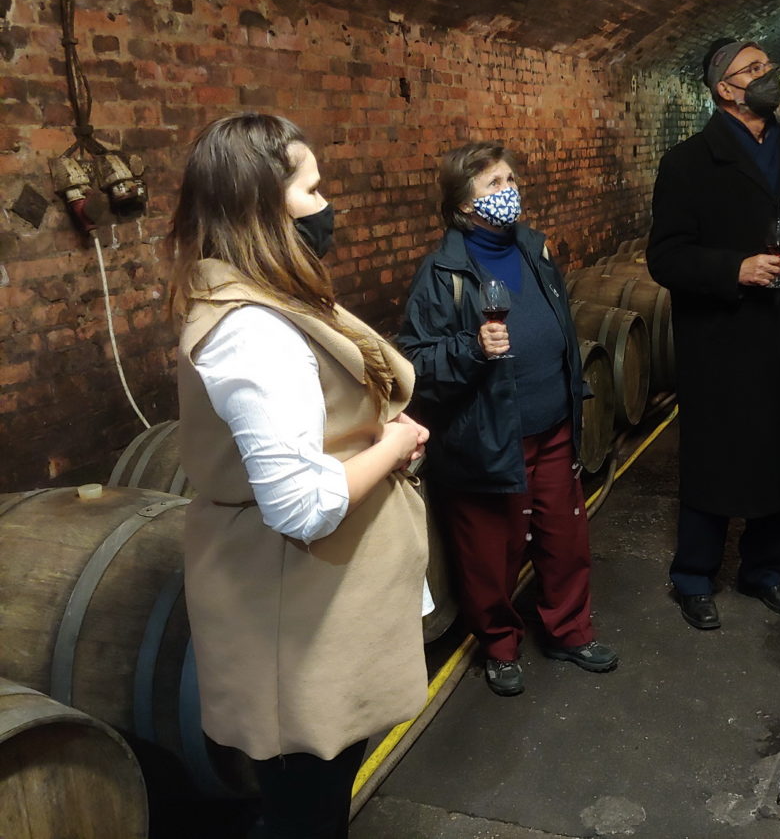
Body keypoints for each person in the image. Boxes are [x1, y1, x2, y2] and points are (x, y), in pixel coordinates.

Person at [169, 113, 431, 839]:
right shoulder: (252, 330)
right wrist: (394, 443)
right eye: (312, 190)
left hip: (322, 603)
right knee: (306, 813)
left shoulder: (273, 298)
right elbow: (301, 505)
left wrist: (378, 437)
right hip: (296, 612)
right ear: (262, 208)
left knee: (318, 799)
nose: (326, 204)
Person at [397, 141, 618, 696]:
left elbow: (560, 327)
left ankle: (569, 631)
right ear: (463, 203)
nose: (508, 190)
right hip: (489, 437)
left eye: (510, 179)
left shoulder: (534, 249)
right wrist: (472, 347)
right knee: (491, 554)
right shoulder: (441, 272)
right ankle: (499, 646)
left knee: (565, 539)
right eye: (493, 184)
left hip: (554, 425)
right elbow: (416, 363)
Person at [646, 39, 780, 631]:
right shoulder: (688, 163)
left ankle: (763, 571)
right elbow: (665, 257)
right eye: (754, 69)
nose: (768, 75)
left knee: (779, 454)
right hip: (721, 340)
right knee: (716, 459)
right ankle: (694, 577)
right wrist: (735, 268)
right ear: (725, 88)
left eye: (768, 66)